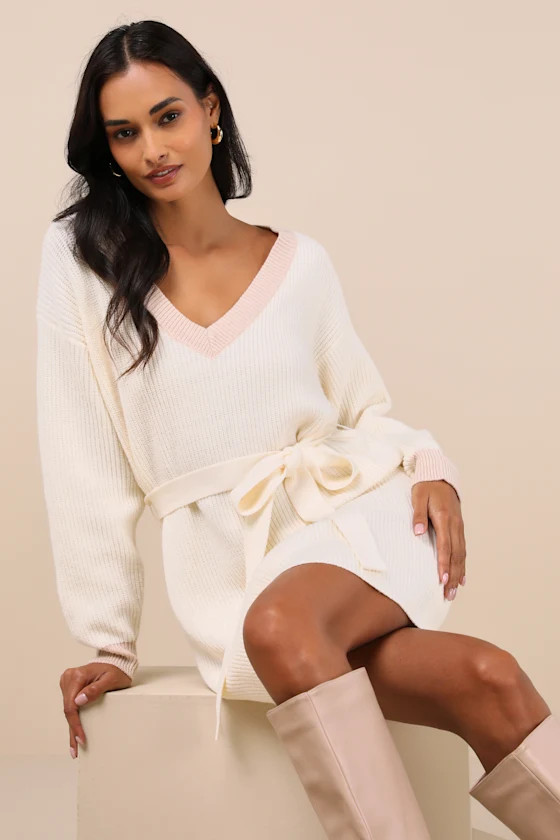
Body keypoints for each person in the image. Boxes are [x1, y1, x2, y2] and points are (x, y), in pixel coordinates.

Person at [36, 19, 559, 840]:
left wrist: (431, 463)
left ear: (210, 110)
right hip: (234, 573)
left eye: (169, 117)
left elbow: (364, 412)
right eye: (125, 133)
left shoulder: (301, 263)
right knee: (480, 675)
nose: (153, 149)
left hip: (350, 522)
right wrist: (108, 643)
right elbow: (82, 460)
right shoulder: (83, 261)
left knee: (319, 631)